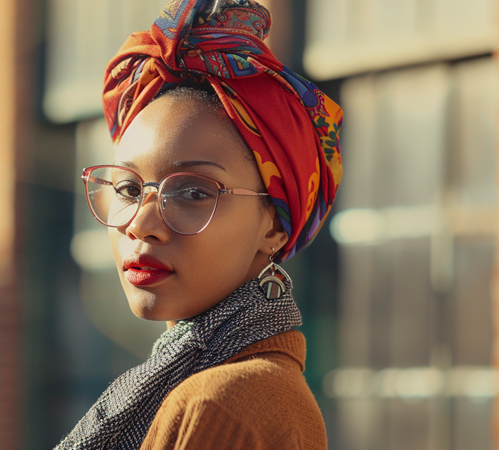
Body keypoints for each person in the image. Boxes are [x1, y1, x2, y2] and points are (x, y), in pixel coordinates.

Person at [56, 0, 342, 448]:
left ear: (275, 228)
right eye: (129, 189)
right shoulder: (238, 385)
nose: (142, 225)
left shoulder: (216, 403)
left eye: (193, 192)